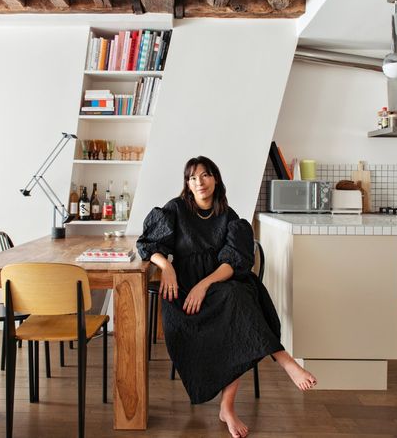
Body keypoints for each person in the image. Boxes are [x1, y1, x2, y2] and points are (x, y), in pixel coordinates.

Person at [136, 156, 317, 438]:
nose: (199, 182)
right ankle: (284, 360)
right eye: (193, 177)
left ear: (216, 179)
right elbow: (148, 245)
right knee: (237, 308)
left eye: (205, 175)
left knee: (237, 299)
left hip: (218, 284)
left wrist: (204, 285)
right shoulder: (175, 210)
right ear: (187, 183)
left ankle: (228, 406)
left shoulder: (230, 218)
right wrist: (167, 266)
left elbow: (231, 263)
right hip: (183, 293)